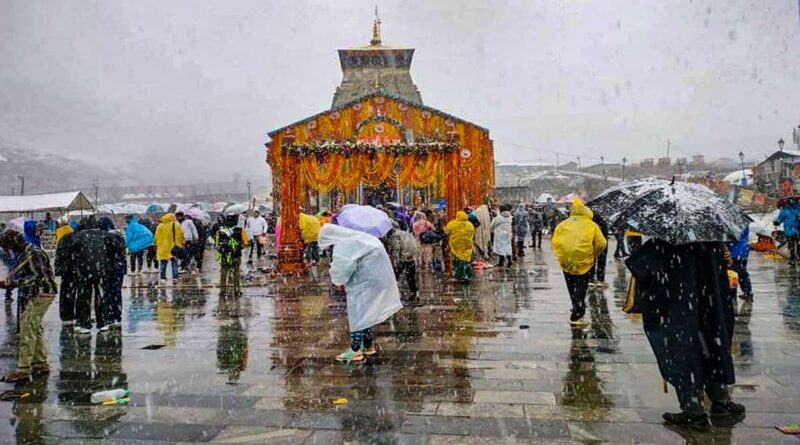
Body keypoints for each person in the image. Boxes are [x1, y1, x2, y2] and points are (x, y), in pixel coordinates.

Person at [626, 240, 744, 430]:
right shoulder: (713, 244)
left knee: (684, 356)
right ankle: (721, 401)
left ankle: (694, 412)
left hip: (678, 311)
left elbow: (640, 269)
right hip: (711, 310)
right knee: (713, 350)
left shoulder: (662, 245)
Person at [318, 224, 402, 362]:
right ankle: (368, 346)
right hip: (376, 279)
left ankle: (355, 350)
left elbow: (343, 268)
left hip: (361, 283)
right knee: (366, 312)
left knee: (357, 315)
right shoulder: (360, 238)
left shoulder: (343, 245)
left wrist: (336, 278)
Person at [0, 230, 57, 383]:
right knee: (34, 327)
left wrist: (15, 283)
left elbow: (37, 276)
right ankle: (40, 363)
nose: (9, 251)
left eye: (9, 247)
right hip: (40, 293)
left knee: (27, 328)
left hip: (41, 293)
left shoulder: (32, 254)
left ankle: (23, 369)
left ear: (15, 244)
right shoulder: (29, 252)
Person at [552, 198, 607, 325]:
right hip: (583, 260)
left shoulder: (563, 224)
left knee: (571, 284)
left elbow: (555, 241)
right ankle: (577, 315)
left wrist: (562, 254)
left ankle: (575, 305)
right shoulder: (592, 225)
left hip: (566, 260)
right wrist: (594, 254)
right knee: (581, 286)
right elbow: (602, 243)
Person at [70, 217, 109, 334]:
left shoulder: (79, 236)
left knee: (83, 297)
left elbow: (72, 248)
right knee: (101, 295)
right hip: (100, 270)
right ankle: (102, 322)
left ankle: (84, 323)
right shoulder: (103, 235)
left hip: (83, 271)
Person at [98, 217, 126, 330]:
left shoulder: (103, 237)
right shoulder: (118, 236)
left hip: (107, 268)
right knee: (116, 292)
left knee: (106, 292)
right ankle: (117, 316)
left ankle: (109, 316)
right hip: (119, 268)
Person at [386, 222, 419, 299]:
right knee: (411, 277)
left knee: (395, 276)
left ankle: (391, 294)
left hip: (403, 257)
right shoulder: (407, 233)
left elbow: (396, 248)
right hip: (411, 257)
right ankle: (414, 293)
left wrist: (395, 260)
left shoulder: (395, 235)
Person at [215, 224, 249, 297]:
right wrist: (239, 247)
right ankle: (237, 290)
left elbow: (217, 243)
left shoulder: (221, 230)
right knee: (236, 272)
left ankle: (223, 290)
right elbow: (245, 243)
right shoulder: (240, 230)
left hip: (224, 256)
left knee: (223, 271)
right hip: (236, 256)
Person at [54, 225, 77, 323]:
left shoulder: (62, 239)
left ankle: (66, 316)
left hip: (66, 271)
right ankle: (79, 316)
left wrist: (58, 269)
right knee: (80, 293)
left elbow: (59, 257)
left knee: (66, 293)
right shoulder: (77, 239)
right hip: (77, 270)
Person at [154, 213, 185, 284]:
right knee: (174, 262)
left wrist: (156, 245)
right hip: (173, 247)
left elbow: (156, 237)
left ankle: (162, 277)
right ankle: (175, 277)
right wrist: (182, 242)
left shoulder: (160, 226)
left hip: (162, 248)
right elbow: (181, 235)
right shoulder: (176, 224)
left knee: (163, 263)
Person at [445, 211, 476, 282]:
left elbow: (447, 232)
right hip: (467, 246)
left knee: (457, 261)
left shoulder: (452, 224)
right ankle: (467, 275)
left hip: (456, 246)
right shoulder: (470, 225)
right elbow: (472, 233)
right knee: (466, 261)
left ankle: (458, 276)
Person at [728, 226, 753, 300]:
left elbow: (736, 236)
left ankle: (735, 292)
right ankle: (747, 291)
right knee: (741, 272)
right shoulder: (742, 222)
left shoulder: (734, 224)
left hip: (736, 251)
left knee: (735, 272)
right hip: (742, 250)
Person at [588, 213, 610, 288]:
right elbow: (604, 230)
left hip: (591, 239)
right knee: (602, 260)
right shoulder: (605, 216)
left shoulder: (590, 214)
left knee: (592, 259)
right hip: (602, 240)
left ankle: (591, 279)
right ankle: (600, 280)